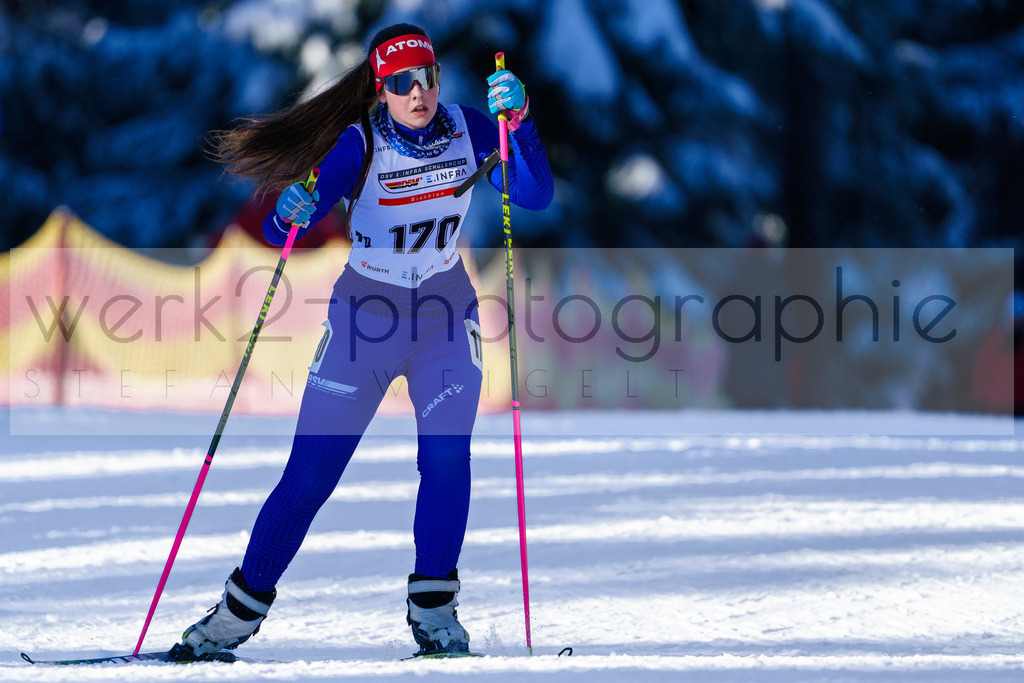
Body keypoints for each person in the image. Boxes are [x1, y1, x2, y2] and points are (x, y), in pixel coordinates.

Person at [168, 23, 552, 660]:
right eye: (402, 83)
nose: (418, 92)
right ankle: (236, 615)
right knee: (311, 476)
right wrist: (291, 208)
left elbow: (533, 197)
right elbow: (284, 223)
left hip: (445, 319)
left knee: (448, 462)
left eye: (427, 76)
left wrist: (522, 121)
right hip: (363, 324)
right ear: (381, 91)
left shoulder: (468, 129)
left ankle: (435, 613)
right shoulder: (360, 143)